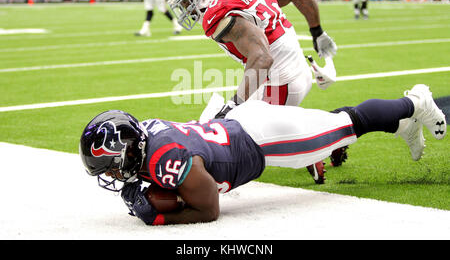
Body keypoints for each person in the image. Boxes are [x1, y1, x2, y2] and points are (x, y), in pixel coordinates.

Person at [80, 84, 446, 225]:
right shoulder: (145, 134)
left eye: (111, 168)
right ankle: (402, 125)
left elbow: (208, 209)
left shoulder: (164, 159)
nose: (111, 176)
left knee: (348, 125)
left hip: (261, 140)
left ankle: (414, 101)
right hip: (240, 126)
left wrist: (160, 218)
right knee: (333, 125)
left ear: (128, 152)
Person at [165, 0, 339, 183]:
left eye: (188, 0)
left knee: (232, 137)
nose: (186, 8)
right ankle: (324, 138)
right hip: (292, 74)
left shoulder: (216, 15)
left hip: (281, 84)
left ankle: (316, 147)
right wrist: (317, 32)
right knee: (210, 121)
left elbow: (262, 58)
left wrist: (234, 104)